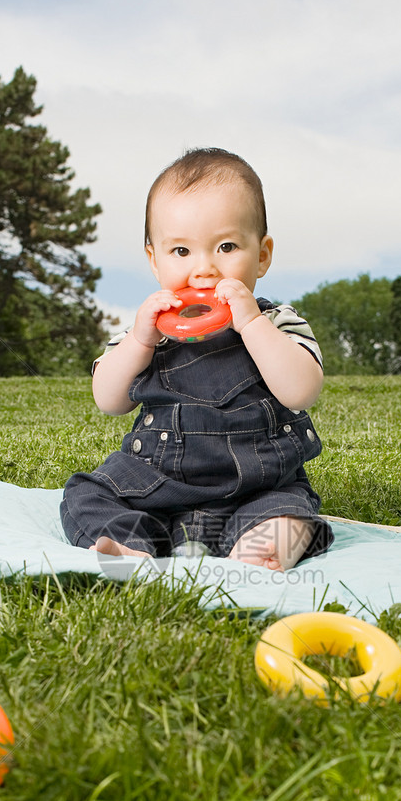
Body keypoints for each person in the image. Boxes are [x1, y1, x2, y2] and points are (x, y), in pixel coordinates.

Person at [60, 148, 333, 572]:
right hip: (155, 483)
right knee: (86, 493)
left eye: (226, 247)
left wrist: (251, 325)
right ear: (154, 259)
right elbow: (108, 400)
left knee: (288, 514)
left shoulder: (277, 323)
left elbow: (301, 390)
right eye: (181, 252)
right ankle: (131, 547)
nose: (204, 269)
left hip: (258, 486)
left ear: (262, 255)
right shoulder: (146, 331)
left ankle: (258, 550)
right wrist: (139, 341)